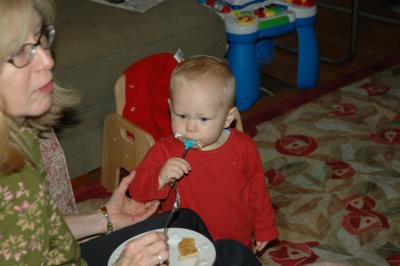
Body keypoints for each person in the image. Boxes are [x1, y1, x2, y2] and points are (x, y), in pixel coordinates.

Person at [0, 1, 263, 265]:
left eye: (40, 39)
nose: (48, 59)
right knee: (234, 256)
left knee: (188, 222)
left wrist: (103, 219)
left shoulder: (19, 134)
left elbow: (39, 230)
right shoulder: (14, 184)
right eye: (21, 53)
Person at [129, 55, 279, 252]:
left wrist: (265, 228)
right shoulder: (165, 150)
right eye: (181, 115)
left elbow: (257, 189)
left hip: (235, 236)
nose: (190, 127)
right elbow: (136, 191)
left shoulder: (244, 147)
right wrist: (160, 177)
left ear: (228, 119)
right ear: (170, 108)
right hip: (185, 239)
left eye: (203, 119)